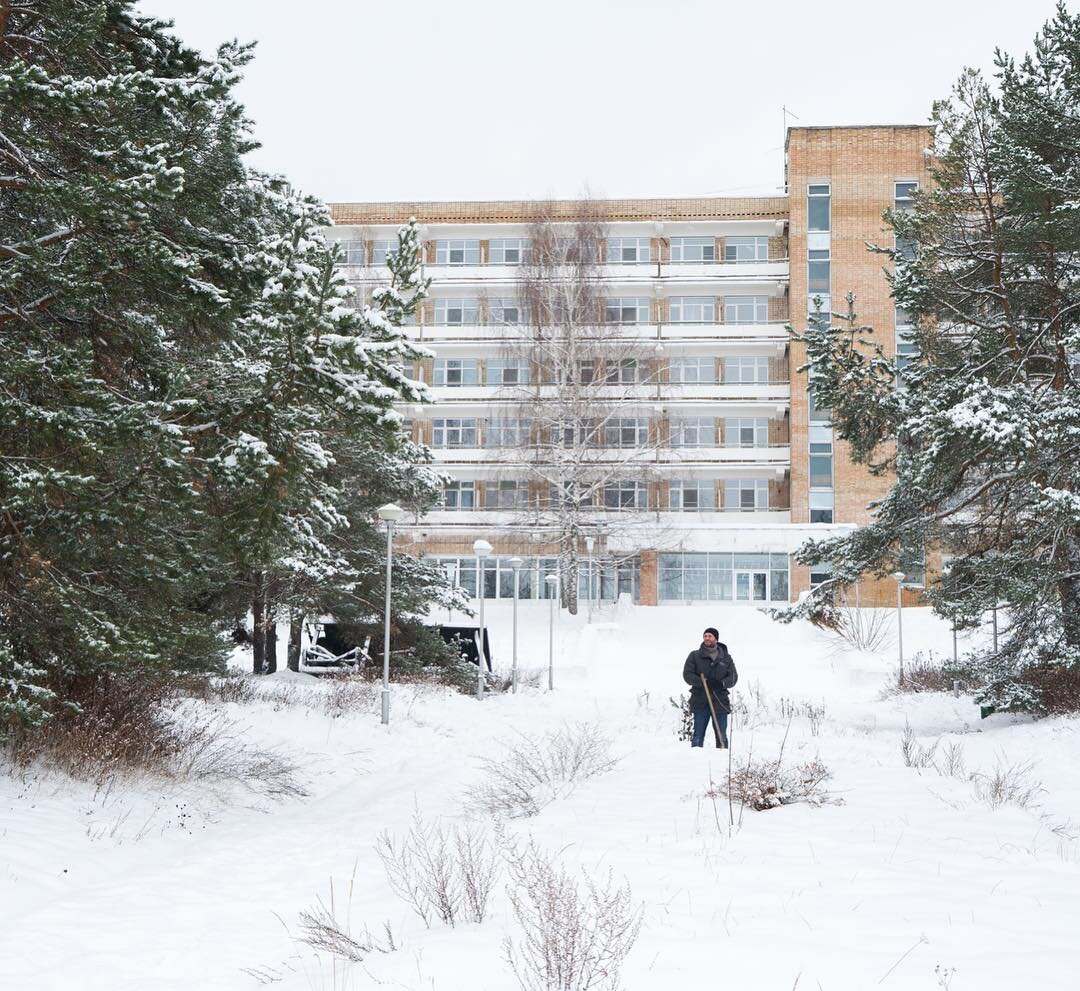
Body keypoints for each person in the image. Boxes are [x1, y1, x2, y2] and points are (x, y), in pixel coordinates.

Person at [682, 627, 737, 748]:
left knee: (721, 735)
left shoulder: (726, 658)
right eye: (705, 636)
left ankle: (722, 759)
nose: (707, 638)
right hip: (700, 701)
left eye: (710, 636)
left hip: (720, 701)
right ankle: (695, 759)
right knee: (698, 735)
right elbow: (687, 675)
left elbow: (733, 677)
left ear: (716, 639)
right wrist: (702, 682)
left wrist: (721, 683)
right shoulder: (695, 656)